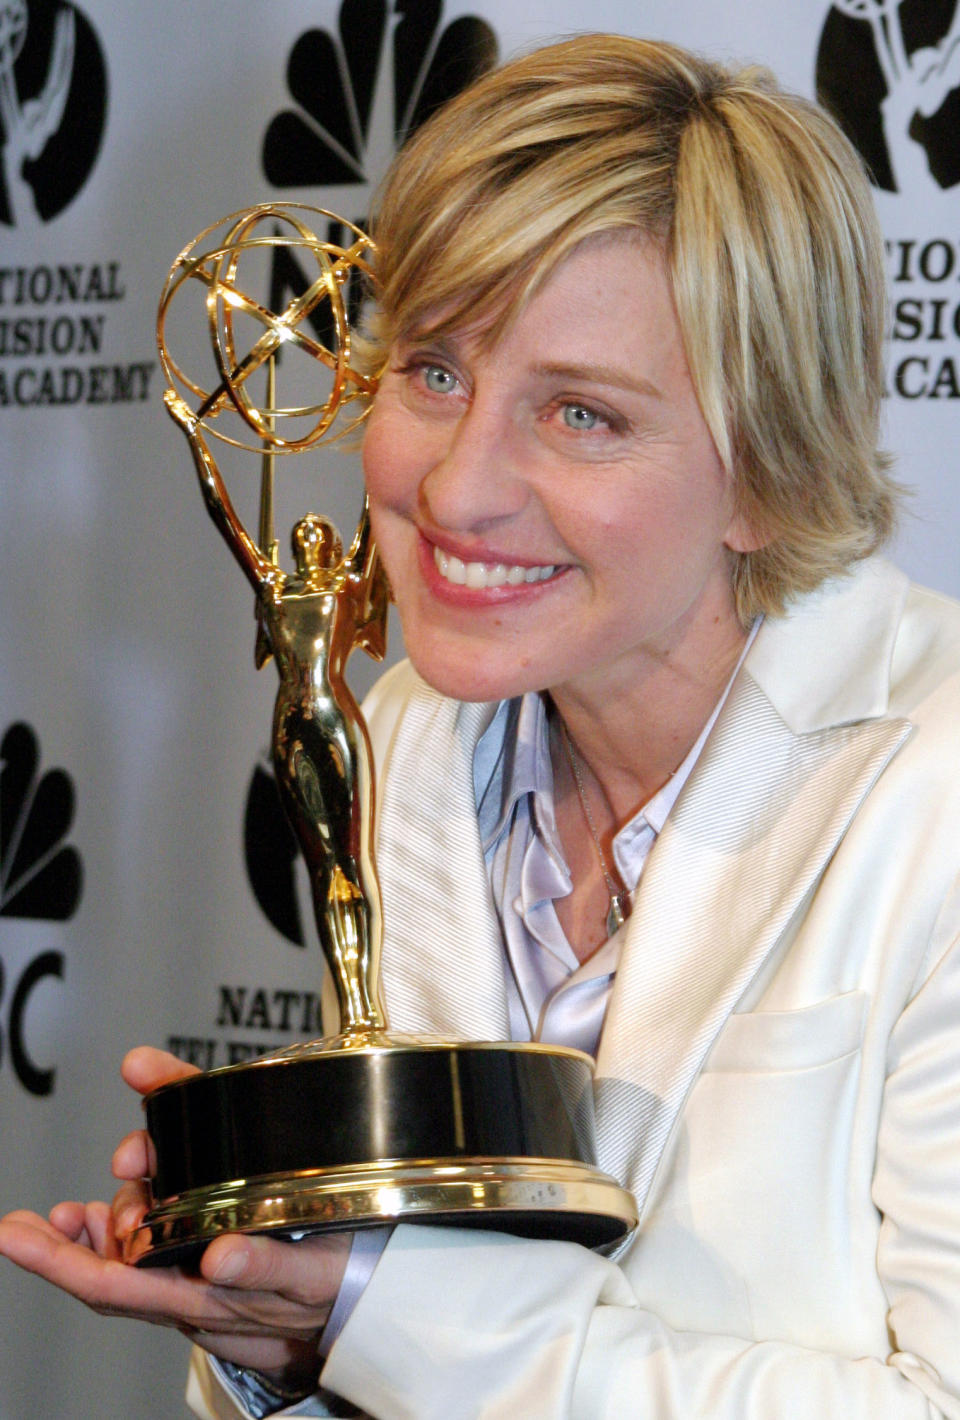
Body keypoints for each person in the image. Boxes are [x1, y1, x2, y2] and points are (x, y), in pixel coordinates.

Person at [3, 31, 960, 1420]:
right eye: (435, 370)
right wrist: (285, 1329)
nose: (455, 490)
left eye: (580, 413)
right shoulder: (411, 735)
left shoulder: (937, 786)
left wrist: (383, 1312)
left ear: (767, 472)